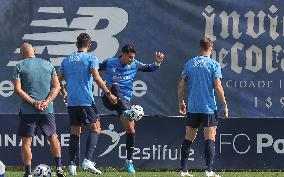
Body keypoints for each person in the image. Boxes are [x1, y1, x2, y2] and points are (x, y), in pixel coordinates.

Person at [57, 33, 117, 176]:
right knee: (96, 128)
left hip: (72, 101)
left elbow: (57, 78)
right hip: (85, 100)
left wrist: (64, 92)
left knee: (75, 131)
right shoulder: (91, 58)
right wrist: (109, 94)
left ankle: (72, 165)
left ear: (76, 44)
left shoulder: (67, 59)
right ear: (89, 45)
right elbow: (96, 77)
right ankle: (87, 160)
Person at [99, 44, 164, 173]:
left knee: (131, 130)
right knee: (115, 85)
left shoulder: (134, 64)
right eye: (129, 57)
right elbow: (95, 69)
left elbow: (148, 68)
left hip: (124, 103)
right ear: (122, 55)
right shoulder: (110, 62)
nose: (132, 59)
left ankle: (129, 162)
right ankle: (128, 111)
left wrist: (157, 62)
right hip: (109, 98)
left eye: (133, 57)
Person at [177, 37, 228, 177]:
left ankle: (183, 170)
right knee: (209, 138)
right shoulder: (213, 64)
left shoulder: (190, 63)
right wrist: (224, 104)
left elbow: (181, 84)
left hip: (193, 107)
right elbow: (217, 86)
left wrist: (181, 101)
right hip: (208, 108)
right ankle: (209, 170)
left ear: (200, 48)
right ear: (211, 48)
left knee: (188, 138)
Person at [13, 43, 66, 177]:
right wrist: (46, 102)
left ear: (22, 53)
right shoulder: (48, 64)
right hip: (47, 109)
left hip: (28, 110)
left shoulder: (19, 66)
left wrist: (34, 103)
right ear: (34, 52)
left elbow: (18, 89)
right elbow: (57, 87)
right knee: (53, 137)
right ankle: (59, 168)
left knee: (26, 141)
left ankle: (28, 173)